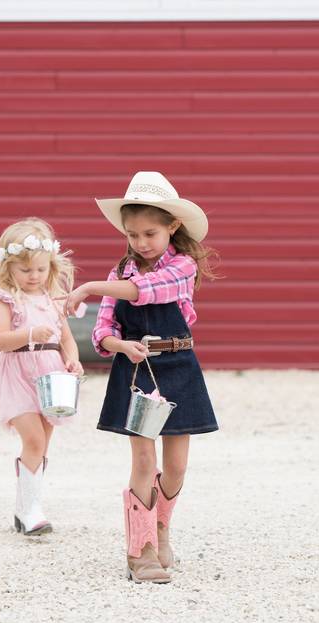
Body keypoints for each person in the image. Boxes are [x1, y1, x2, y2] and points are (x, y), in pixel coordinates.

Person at [63, 171, 219, 582]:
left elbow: (147, 290)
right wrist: (122, 346)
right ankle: (142, 550)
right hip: (136, 372)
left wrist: (87, 288)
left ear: (173, 227)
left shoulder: (182, 267)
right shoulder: (118, 273)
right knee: (144, 459)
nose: (141, 243)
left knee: (178, 466)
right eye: (132, 234)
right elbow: (102, 332)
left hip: (179, 368)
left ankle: (162, 529)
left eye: (150, 233)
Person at [0, 217, 83, 536]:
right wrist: (29, 334)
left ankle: (25, 507)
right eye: (26, 270)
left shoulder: (52, 300)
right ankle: (32, 512)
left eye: (40, 269)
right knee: (34, 439)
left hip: (50, 378)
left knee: (43, 443)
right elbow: (0, 339)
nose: (34, 276)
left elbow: (66, 338)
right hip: (18, 375)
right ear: (8, 268)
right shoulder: (5, 300)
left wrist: (73, 360)